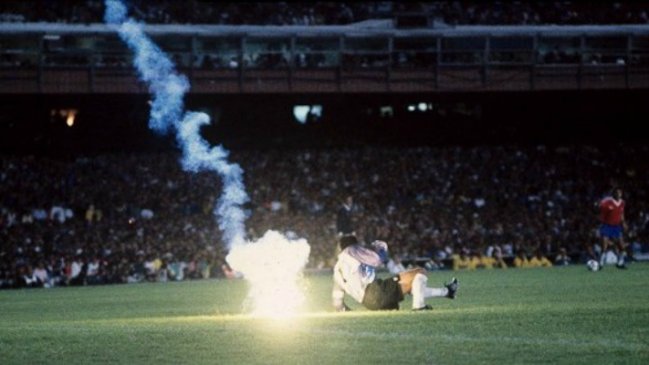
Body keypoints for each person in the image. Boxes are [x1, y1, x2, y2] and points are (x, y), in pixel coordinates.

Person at [331, 235, 458, 312]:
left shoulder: (337, 269)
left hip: (368, 303)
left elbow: (337, 300)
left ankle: (447, 292)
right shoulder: (351, 250)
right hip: (376, 292)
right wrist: (382, 248)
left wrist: (344, 310)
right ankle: (419, 307)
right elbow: (377, 260)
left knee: (411, 285)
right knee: (419, 272)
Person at [595, 187, 628, 269]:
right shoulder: (607, 202)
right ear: (613, 194)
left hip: (616, 226)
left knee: (622, 246)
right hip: (607, 226)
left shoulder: (622, 202)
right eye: (617, 193)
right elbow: (598, 208)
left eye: (620, 193)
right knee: (604, 246)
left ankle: (620, 263)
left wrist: (623, 223)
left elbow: (621, 213)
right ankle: (600, 264)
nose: (618, 194)